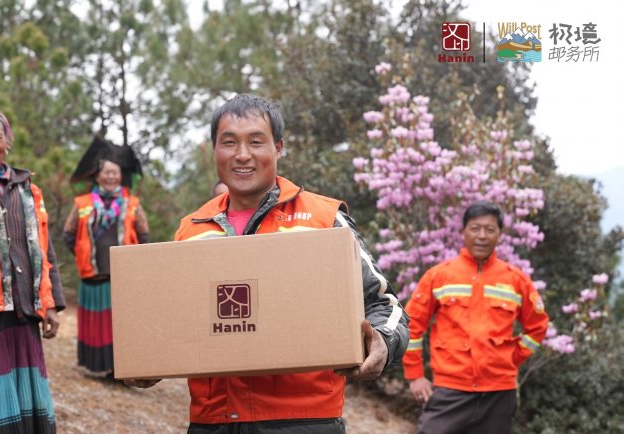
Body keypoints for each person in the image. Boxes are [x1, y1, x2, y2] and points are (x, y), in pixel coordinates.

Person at [128, 94, 409, 434]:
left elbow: (384, 303)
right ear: (214, 150)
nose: (242, 154)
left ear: (278, 148)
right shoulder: (192, 229)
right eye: (229, 142)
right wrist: (147, 357)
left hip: (304, 422)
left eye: (255, 141)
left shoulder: (324, 219)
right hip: (213, 422)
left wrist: (382, 341)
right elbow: (175, 320)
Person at [402, 201, 549, 434]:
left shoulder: (516, 280)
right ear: (463, 232)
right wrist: (415, 376)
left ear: (500, 234)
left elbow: (538, 327)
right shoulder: (439, 276)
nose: (482, 236)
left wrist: (511, 357)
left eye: (490, 229)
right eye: (475, 228)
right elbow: (411, 325)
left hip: (498, 394)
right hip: (449, 390)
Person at [0, 103, 66, 433]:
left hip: (24, 311)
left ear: (7, 141)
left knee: (25, 391)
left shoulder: (28, 189)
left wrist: (50, 304)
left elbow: (45, 249)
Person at [63, 138, 149, 377]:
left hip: (123, 278)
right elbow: (69, 234)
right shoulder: (82, 204)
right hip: (93, 276)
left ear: (121, 176)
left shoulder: (132, 204)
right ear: (97, 175)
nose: (111, 177)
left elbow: (143, 235)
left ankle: (120, 369)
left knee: (121, 323)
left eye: (115, 172)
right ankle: (99, 365)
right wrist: (84, 254)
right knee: (97, 323)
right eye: (107, 172)